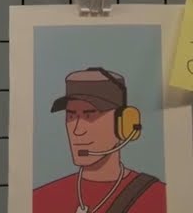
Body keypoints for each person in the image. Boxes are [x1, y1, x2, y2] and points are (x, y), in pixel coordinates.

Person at [32, 68, 165, 212]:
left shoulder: (159, 197)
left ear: (124, 124)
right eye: (71, 116)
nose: (77, 130)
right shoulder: (40, 199)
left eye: (89, 115)